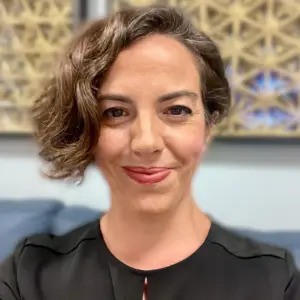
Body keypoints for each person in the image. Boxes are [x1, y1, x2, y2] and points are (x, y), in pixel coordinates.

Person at [0, 5, 299, 300]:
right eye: (115, 112)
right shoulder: (29, 275)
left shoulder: (274, 281)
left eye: (176, 110)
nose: (146, 142)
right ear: (86, 129)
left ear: (208, 125)